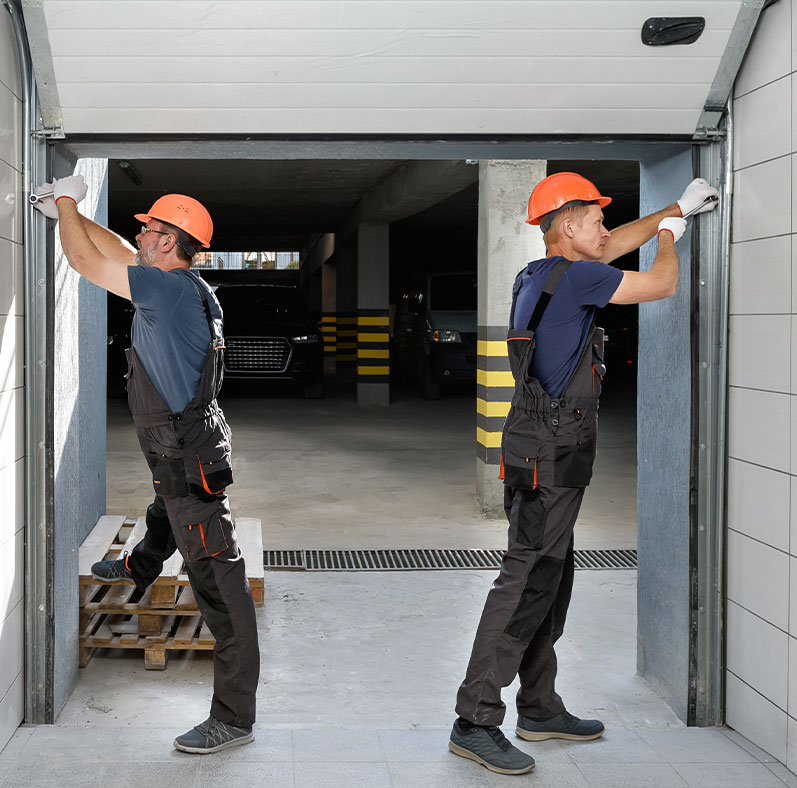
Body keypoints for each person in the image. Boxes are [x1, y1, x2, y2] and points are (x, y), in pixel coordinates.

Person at [449, 172, 719, 775]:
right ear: (567, 227)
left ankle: (539, 708)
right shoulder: (580, 277)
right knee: (525, 582)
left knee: (552, 576)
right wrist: (672, 235)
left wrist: (676, 208)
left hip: (538, 450)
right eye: (595, 218)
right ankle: (474, 719)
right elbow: (661, 283)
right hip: (551, 454)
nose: (605, 227)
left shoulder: (541, 275)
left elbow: (613, 246)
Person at [34, 176, 260, 754]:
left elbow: (86, 261)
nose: (138, 235)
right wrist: (69, 212)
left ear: (167, 242)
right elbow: (113, 249)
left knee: (221, 589)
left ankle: (233, 718)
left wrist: (67, 206)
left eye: (148, 230)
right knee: (167, 505)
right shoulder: (181, 284)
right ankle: (140, 566)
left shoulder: (166, 292)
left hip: (186, 454)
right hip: (186, 446)